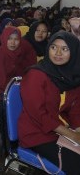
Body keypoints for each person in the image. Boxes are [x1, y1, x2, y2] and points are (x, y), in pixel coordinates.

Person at [18, 31, 80, 175]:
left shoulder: (73, 77)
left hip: (61, 130)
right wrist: (73, 136)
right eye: (53, 47)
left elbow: (74, 110)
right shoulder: (35, 75)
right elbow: (39, 115)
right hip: (37, 134)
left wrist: (78, 129)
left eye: (65, 49)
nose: (58, 53)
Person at [0, 26, 37, 171]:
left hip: (10, 97)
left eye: (16, 39)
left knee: (20, 118)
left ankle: (11, 152)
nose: (13, 42)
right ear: (4, 39)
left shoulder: (21, 55)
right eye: (9, 38)